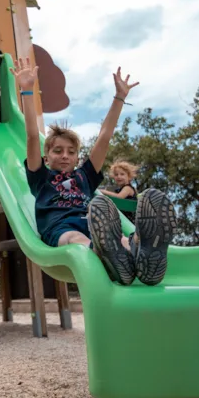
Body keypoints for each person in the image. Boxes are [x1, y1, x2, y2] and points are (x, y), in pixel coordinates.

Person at [13, 57, 176, 286]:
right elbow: (32, 136)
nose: (64, 155)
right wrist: (27, 91)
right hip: (59, 228)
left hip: (95, 225)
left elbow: (104, 137)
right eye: (58, 151)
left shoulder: (84, 176)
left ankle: (142, 251)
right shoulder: (41, 177)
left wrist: (119, 98)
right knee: (75, 238)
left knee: (118, 238)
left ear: (77, 158)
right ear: (46, 157)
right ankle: (109, 257)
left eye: (71, 152)